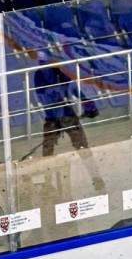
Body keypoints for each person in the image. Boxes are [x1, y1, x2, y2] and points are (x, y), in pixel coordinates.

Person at [34, 64, 105, 193]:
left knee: (82, 147)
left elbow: (73, 88)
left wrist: (85, 101)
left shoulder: (59, 71)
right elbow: (43, 95)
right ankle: (47, 182)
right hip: (53, 117)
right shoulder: (39, 75)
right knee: (48, 151)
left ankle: (96, 177)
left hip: (64, 115)